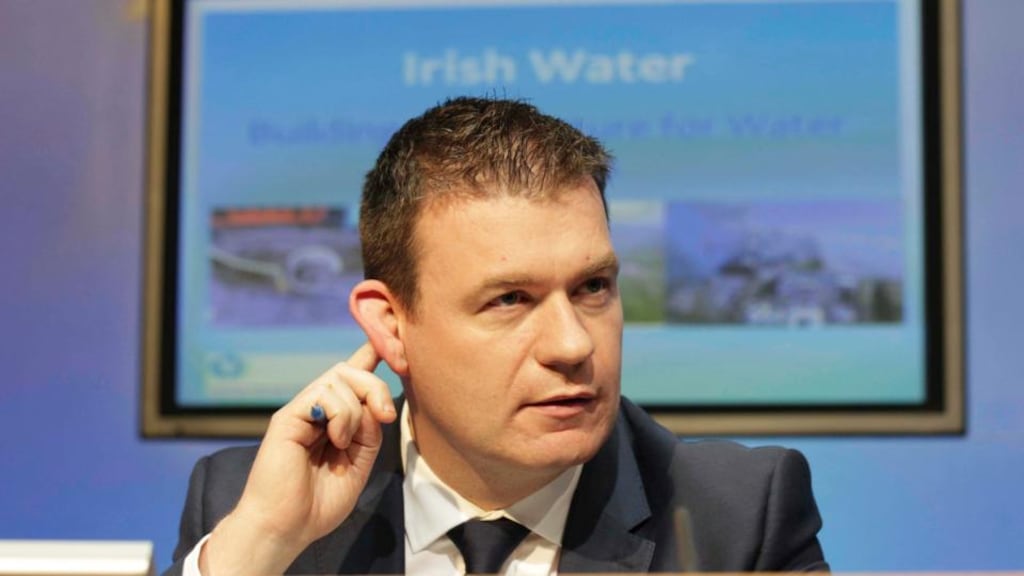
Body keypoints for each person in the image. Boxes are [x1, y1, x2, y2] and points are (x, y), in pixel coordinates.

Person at [165, 96, 828, 575]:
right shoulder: (248, 507)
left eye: (593, 287)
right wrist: (257, 548)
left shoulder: (737, 518)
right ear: (391, 327)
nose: (573, 346)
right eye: (510, 300)